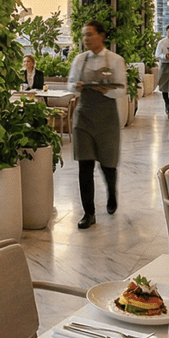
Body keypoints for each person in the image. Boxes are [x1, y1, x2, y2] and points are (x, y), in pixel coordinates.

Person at [68, 20, 126, 228]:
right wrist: (76, 86)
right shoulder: (79, 60)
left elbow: (122, 90)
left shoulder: (116, 60)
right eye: (84, 35)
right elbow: (70, 84)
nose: (86, 39)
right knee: (84, 165)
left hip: (107, 119)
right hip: (83, 117)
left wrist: (107, 90)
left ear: (101, 36)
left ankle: (112, 192)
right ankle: (89, 213)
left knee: (108, 164)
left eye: (90, 34)